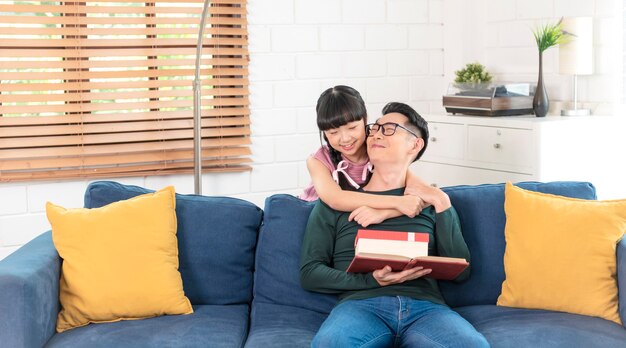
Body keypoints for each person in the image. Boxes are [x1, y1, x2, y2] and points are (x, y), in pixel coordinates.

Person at [300, 102, 489, 348]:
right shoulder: (335, 203)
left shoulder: (430, 202)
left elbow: (461, 272)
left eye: (389, 129)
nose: (376, 133)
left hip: (426, 308)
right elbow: (310, 273)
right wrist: (371, 281)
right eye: (375, 128)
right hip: (361, 306)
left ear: (415, 144)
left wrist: (442, 201)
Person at [300, 85, 427, 227]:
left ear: (365, 120)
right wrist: (397, 203)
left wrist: (387, 212)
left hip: (354, 220)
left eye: (352, 128)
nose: (345, 139)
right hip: (314, 217)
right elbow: (335, 199)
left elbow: (422, 195)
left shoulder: (376, 148)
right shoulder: (318, 160)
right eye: (333, 132)